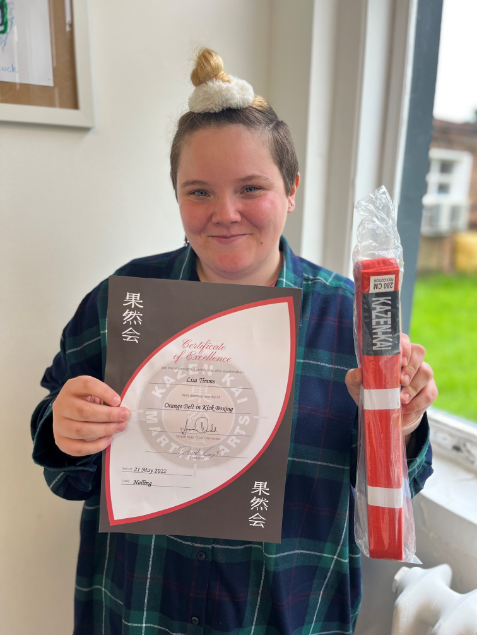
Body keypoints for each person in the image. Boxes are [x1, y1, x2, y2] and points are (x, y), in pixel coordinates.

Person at [31, 48, 437, 635]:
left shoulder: (354, 318)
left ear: (291, 189)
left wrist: (399, 423)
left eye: (251, 188)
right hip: (139, 611)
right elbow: (67, 473)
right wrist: (64, 430)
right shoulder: (123, 303)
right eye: (198, 192)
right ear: (176, 195)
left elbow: (397, 494)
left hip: (286, 615)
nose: (225, 214)